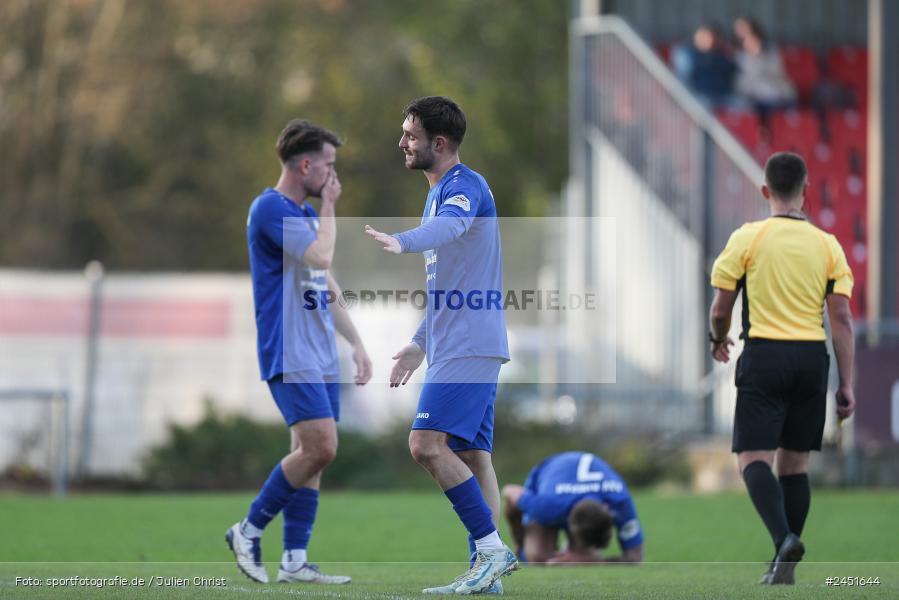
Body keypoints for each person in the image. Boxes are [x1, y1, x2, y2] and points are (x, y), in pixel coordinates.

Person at [364, 96, 516, 595]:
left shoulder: (462, 187)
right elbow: (449, 286)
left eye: (410, 135)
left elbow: (450, 226)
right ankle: (487, 575)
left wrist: (404, 240)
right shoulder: (434, 195)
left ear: (440, 142)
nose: (402, 143)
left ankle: (492, 552)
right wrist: (418, 343)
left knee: (425, 444)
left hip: (470, 343)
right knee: (473, 456)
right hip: (460, 340)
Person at [226, 119, 372, 585]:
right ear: (305, 165)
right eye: (328, 166)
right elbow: (320, 258)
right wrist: (330, 207)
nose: (333, 177)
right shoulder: (270, 209)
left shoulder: (305, 217)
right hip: (290, 352)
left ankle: (293, 560)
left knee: (312, 455)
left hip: (321, 355)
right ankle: (248, 530)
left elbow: (324, 284)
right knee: (321, 447)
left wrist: (357, 343)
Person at [709, 152, 856, 585]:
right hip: (812, 360)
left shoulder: (748, 238)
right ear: (806, 190)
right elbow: (842, 318)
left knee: (753, 459)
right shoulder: (828, 244)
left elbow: (721, 307)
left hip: (766, 355)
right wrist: (846, 384)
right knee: (795, 466)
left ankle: (783, 539)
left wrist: (718, 338)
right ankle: (783, 565)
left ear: (765, 191)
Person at [502, 451, 644, 566]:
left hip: (569, 491)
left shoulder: (619, 502)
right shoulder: (547, 506)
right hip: (549, 477)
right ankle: (536, 552)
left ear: (607, 509)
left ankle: (577, 553)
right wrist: (520, 541)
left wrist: (592, 561)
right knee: (538, 557)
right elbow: (509, 492)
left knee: (580, 561)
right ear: (567, 521)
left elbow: (636, 558)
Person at [671, 24, 745, 110]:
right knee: (703, 106)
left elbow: (733, 70)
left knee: (743, 105)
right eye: (703, 37)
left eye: (710, 38)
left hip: (722, 94)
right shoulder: (687, 54)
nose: (707, 41)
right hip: (700, 94)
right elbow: (686, 76)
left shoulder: (720, 55)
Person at [732, 18, 797, 115]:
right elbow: (742, 83)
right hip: (752, 97)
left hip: (775, 95)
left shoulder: (771, 52)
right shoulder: (739, 56)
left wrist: (759, 58)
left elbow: (776, 73)